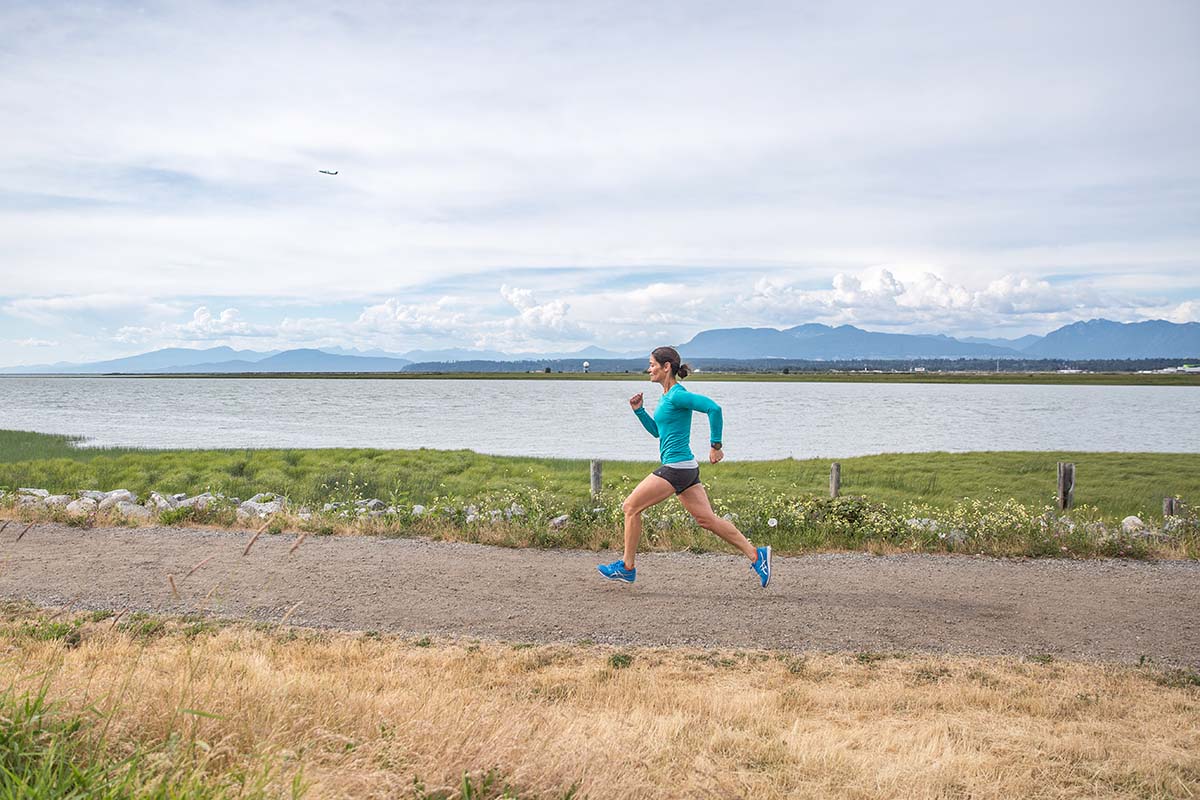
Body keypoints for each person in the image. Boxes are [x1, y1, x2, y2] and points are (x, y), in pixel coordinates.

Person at [597, 346, 771, 587]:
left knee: (630, 507)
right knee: (707, 520)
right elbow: (659, 432)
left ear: (666, 367)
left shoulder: (677, 395)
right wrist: (639, 412)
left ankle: (627, 567)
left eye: (652, 364)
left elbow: (714, 408)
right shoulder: (666, 397)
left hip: (676, 467)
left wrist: (715, 446)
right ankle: (756, 555)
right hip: (685, 468)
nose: (649, 369)